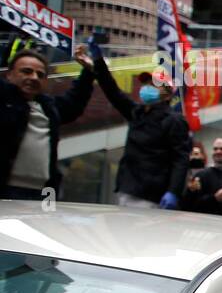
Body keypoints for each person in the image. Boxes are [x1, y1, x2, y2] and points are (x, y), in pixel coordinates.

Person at [89, 49, 191, 209]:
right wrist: (98, 61)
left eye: (154, 85)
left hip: (152, 195)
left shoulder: (174, 120)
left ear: (168, 93)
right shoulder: (136, 112)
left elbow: (181, 159)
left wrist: (173, 191)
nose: (147, 88)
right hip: (126, 189)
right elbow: (112, 91)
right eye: (146, 84)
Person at [1, 48, 95, 200]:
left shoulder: (49, 107)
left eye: (40, 75)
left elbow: (74, 103)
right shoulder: (4, 100)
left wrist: (88, 72)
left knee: (45, 224)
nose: (34, 78)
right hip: (6, 189)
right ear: (9, 75)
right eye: (26, 71)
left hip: (45, 193)